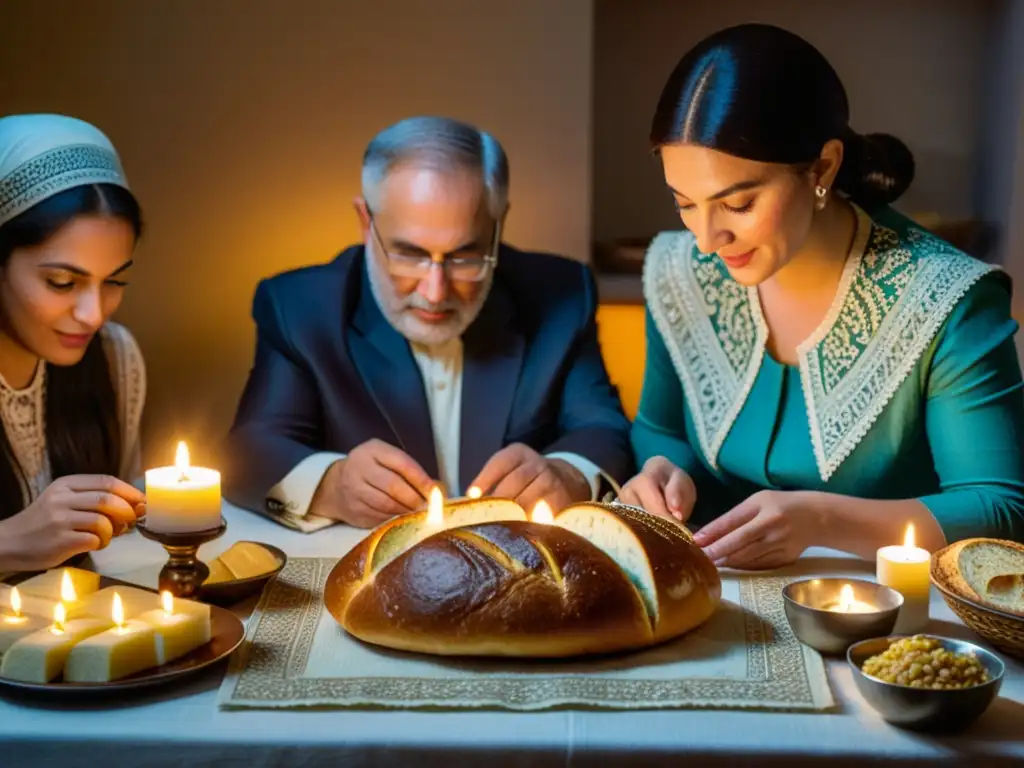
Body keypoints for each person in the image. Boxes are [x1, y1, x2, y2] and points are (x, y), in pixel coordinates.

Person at [620, 23, 1024, 568]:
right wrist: (663, 470)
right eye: (685, 203)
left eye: (738, 204)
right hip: (718, 599)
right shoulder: (679, 271)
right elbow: (659, 428)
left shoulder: (947, 299)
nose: (708, 240)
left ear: (823, 167)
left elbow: (1000, 510)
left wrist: (822, 521)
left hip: (887, 622)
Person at [223, 116, 632, 531]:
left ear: (498, 226)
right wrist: (332, 485)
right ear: (367, 222)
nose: (435, 291)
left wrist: (567, 474)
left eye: (464, 256)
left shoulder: (560, 295)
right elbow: (251, 450)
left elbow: (603, 428)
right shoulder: (301, 307)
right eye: (409, 254)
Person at [0, 114, 147, 573]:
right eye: (62, 282)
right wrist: (9, 541)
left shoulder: (113, 355)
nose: (94, 314)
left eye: (114, 281)